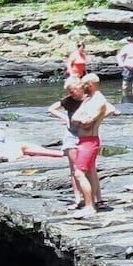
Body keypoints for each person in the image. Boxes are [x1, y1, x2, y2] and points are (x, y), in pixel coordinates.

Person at [68, 74, 118, 217]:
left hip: (90, 141)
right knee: (89, 172)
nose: (82, 87)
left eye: (84, 84)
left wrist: (84, 119)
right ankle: (92, 203)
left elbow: (87, 122)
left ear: (91, 84)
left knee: (78, 173)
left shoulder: (99, 100)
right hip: (83, 140)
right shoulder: (88, 100)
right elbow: (74, 118)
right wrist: (82, 118)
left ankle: (89, 206)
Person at [46, 78, 87, 209]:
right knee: (74, 169)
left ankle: (91, 198)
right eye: (69, 92)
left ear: (80, 87)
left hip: (86, 135)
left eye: (72, 91)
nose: (71, 93)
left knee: (87, 168)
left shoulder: (89, 99)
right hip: (71, 135)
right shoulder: (69, 101)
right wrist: (65, 117)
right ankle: (77, 199)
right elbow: (51, 109)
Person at [0, 129, 66, 163]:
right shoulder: (15, 145)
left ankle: (0, 159)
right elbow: (47, 152)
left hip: (6, 154)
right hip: (12, 153)